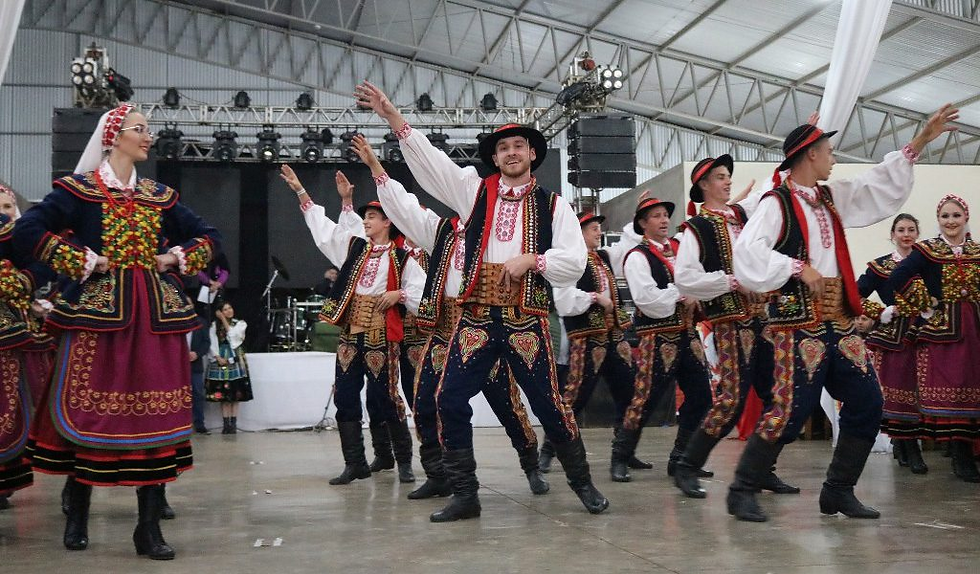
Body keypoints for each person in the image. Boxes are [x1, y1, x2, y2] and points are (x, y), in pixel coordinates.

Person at [357, 81, 607, 521]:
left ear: (532, 154)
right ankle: (465, 493)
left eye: (519, 146)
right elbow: (432, 164)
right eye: (503, 148)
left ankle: (582, 483)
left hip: (524, 318)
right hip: (474, 318)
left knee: (548, 405)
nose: (511, 153)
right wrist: (393, 117)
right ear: (494, 158)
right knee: (447, 399)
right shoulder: (474, 192)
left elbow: (573, 261)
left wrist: (534, 260)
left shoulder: (554, 206)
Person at [728, 105, 958, 522]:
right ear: (810, 154)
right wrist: (796, 266)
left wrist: (921, 140)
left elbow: (874, 185)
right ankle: (742, 488)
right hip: (798, 322)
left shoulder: (828, 198)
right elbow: (746, 253)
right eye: (829, 151)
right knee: (790, 410)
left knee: (868, 401)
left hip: (839, 317)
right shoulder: (776, 203)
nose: (834, 158)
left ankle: (837, 491)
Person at [16, 103, 220, 558]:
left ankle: (148, 528)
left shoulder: (158, 195)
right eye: (139, 129)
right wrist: (84, 261)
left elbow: (209, 236)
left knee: (155, 415)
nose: (148, 136)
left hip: (153, 319)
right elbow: (29, 228)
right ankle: (78, 511)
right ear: (113, 137)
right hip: (97, 318)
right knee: (90, 409)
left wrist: (174, 258)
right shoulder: (80, 191)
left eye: (148, 129)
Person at [364, 135, 548, 498]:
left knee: (508, 406)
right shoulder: (443, 231)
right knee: (425, 403)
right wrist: (375, 167)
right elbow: (404, 208)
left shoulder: (499, 226)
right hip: (446, 332)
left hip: (484, 328)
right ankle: (439, 475)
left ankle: (530, 466)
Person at [279, 163, 425, 486]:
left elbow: (421, 293)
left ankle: (403, 461)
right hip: (350, 334)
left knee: (386, 398)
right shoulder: (355, 249)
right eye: (365, 217)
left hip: (380, 336)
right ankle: (355, 463)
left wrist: (399, 294)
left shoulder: (402, 259)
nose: (366, 221)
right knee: (345, 397)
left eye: (372, 217)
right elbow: (325, 232)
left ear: (387, 222)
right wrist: (301, 191)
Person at [672, 155, 798, 499]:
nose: (727, 181)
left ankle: (762, 470)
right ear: (703, 185)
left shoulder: (741, 215)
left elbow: (773, 189)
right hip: (729, 321)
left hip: (762, 320)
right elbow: (685, 277)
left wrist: (795, 159)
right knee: (731, 400)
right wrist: (730, 281)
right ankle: (687, 465)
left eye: (728, 176)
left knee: (779, 396)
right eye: (720, 177)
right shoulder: (697, 228)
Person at [880, 196, 980, 482]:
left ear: (965, 217)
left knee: (973, 386)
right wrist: (925, 304)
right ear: (938, 220)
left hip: (974, 326)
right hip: (944, 331)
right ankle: (960, 456)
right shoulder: (927, 250)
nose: (951, 221)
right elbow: (898, 276)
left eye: (956, 215)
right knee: (954, 389)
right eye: (945, 216)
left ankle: (965, 453)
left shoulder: (976, 250)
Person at [620, 197, 713, 482]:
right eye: (656, 216)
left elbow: (697, 279)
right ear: (642, 223)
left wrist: (695, 293)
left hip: (687, 333)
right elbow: (646, 299)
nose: (663, 220)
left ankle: (681, 458)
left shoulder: (679, 250)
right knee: (645, 399)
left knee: (702, 396)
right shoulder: (638, 256)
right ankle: (620, 456)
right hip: (656, 337)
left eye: (665, 215)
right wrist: (681, 293)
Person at [552, 211, 644, 481]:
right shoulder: (571, 262)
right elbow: (564, 300)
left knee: (630, 392)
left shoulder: (603, 257)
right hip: (588, 337)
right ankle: (550, 448)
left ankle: (623, 452)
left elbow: (627, 247)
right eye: (592, 228)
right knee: (575, 397)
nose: (598, 232)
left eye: (597, 228)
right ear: (578, 233)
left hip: (614, 336)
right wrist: (595, 298)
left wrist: (638, 217)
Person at [855, 214, 927, 474]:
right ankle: (909, 447)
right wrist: (880, 311)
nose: (906, 234)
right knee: (899, 393)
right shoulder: (881, 266)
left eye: (911, 229)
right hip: (894, 335)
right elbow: (854, 294)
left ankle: (904, 444)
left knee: (921, 392)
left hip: (926, 331)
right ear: (893, 234)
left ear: (917, 233)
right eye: (901, 230)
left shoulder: (928, 261)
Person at [205, 300, 252, 434]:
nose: (228, 311)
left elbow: (234, 339)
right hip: (221, 357)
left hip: (235, 358)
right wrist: (217, 357)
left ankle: (234, 423)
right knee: (224, 395)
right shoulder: (214, 326)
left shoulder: (240, 324)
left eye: (230, 308)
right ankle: (226, 424)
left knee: (236, 394)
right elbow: (211, 342)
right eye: (225, 309)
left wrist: (224, 320)